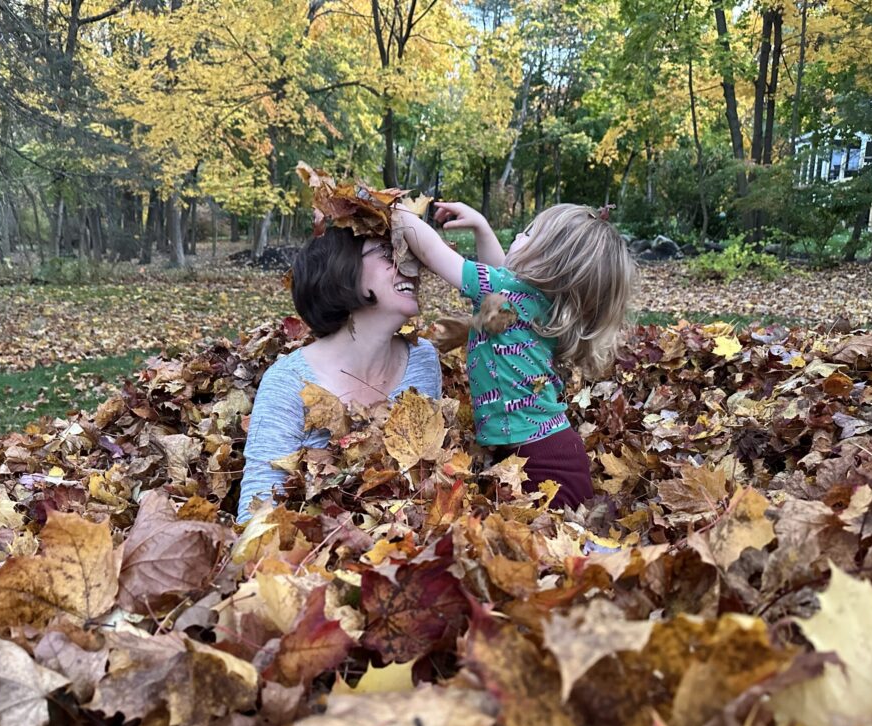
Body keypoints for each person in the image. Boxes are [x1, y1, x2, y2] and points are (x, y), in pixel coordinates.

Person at [393, 201, 635, 510]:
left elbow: (430, 251)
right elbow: (504, 271)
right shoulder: (539, 306)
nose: (519, 233)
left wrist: (395, 212)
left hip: (544, 465)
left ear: (547, 259)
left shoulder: (509, 292)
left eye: (530, 233)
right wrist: (481, 226)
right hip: (554, 451)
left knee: (548, 548)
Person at [237, 226, 442, 522]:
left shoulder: (422, 360)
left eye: (408, 252)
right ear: (342, 271)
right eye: (388, 252)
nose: (409, 264)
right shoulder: (288, 383)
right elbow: (255, 516)